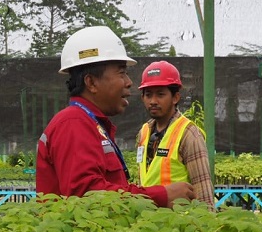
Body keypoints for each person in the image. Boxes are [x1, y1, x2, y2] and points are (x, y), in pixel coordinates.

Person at [36, 25, 195, 208]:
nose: (129, 82)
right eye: (122, 73)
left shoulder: (92, 125)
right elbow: (86, 197)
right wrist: (161, 195)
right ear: (92, 82)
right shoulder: (74, 124)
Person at [136, 60, 216, 210]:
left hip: (179, 226)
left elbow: (203, 190)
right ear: (142, 98)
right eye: (148, 95)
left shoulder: (188, 134)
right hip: (148, 224)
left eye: (160, 94)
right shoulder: (144, 132)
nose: (153, 101)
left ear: (175, 98)